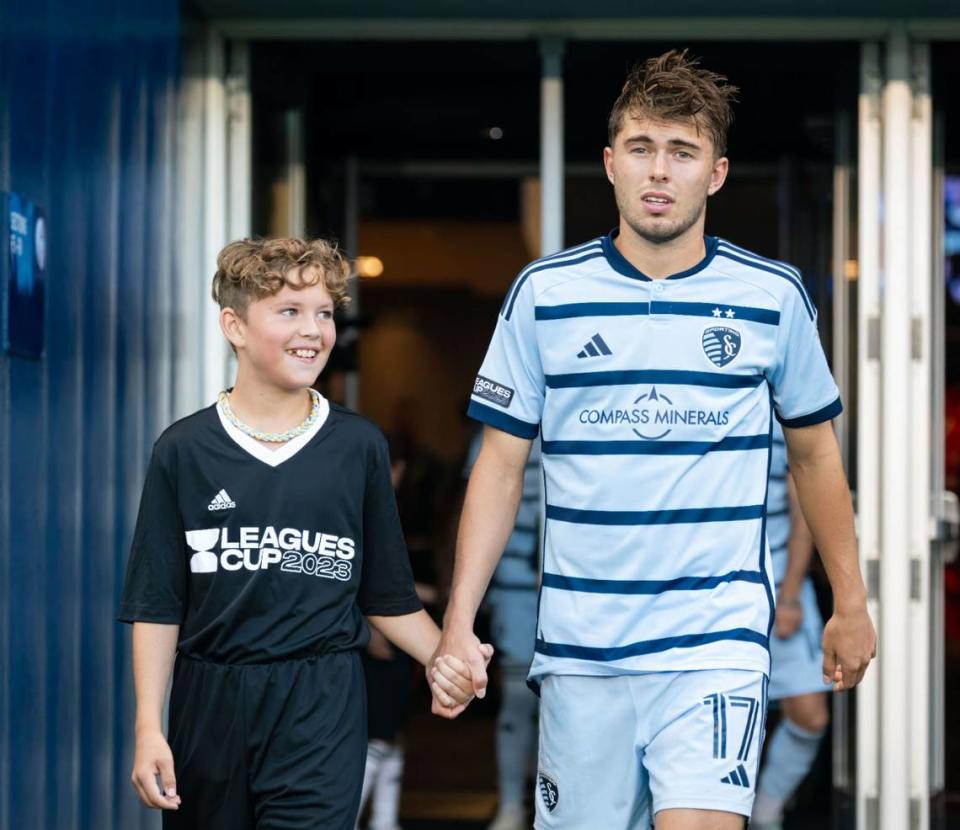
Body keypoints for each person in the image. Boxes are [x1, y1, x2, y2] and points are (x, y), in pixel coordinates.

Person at [427, 50, 877, 830]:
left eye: (682, 151)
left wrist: (850, 600)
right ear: (610, 163)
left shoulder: (772, 297)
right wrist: (458, 623)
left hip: (715, 640)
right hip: (580, 648)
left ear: (718, 172)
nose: (659, 172)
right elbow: (499, 469)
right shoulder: (545, 295)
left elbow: (816, 453)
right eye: (641, 149)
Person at [118, 237, 489, 830]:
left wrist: (447, 660)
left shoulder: (358, 447)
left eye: (323, 313)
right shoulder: (183, 451)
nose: (314, 330)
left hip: (322, 699)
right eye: (289, 311)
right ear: (233, 325)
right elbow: (158, 605)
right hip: (209, 703)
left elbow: (383, 595)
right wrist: (148, 728)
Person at [751, 423, 829, 830]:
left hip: (781, 585)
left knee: (809, 714)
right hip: (710, 596)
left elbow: (804, 514)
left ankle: (766, 812)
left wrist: (791, 594)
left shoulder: (784, 418)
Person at [463, 430, 542, 830]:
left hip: (585, 593)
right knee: (517, 701)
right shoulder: (498, 432)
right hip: (516, 590)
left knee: (573, 705)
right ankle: (511, 803)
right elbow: (472, 509)